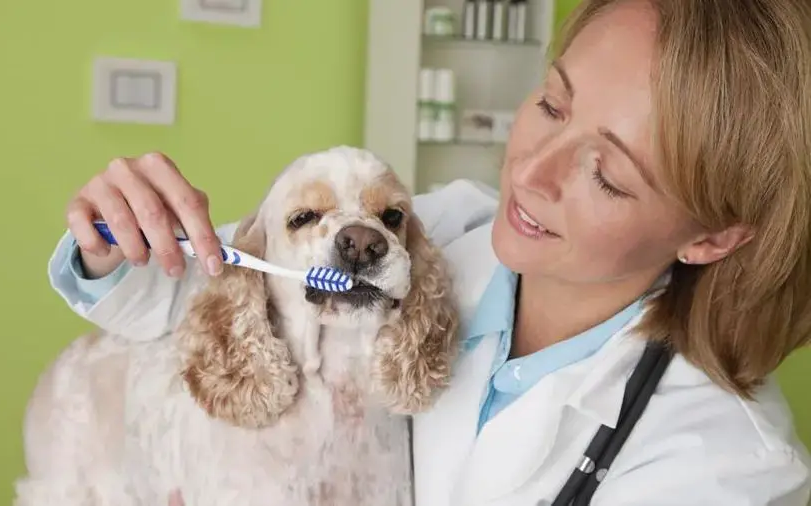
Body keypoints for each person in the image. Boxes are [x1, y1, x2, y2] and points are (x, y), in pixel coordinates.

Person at [46, 0, 811, 504]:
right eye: (551, 104)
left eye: (606, 175)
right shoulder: (439, 233)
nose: (531, 173)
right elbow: (209, 295)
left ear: (712, 235)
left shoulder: (722, 469)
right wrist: (119, 240)